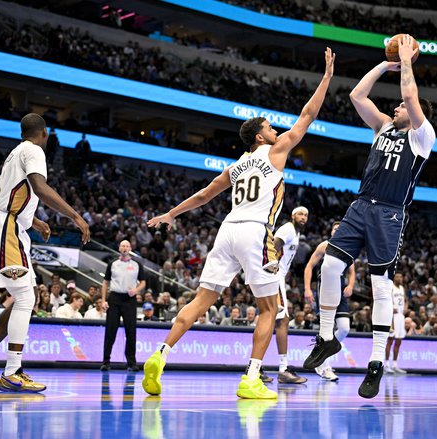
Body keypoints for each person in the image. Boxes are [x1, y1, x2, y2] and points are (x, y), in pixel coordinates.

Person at [142, 48, 335, 399]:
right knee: (270, 308)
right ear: (260, 137)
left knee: (201, 300)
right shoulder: (274, 152)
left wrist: (171, 213)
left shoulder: (234, 167)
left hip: (227, 231)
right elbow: (307, 115)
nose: (276, 130)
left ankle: (160, 354)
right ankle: (251, 378)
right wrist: (325, 79)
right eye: (269, 128)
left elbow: (202, 196)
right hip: (254, 232)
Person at [303, 35, 435, 399]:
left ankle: (376, 362)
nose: (395, 108)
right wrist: (385, 65)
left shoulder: (423, 136)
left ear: (417, 113)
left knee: (380, 287)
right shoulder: (381, 128)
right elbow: (356, 97)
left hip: (391, 215)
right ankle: (326, 338)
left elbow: (410, 96)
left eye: (402, 108)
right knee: (330, 267)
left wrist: (407, 61)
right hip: (361, 206)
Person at [0, 114, 90, 393]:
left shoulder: (14, 153)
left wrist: (33, 220)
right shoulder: (33, 150)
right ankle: (12, 371)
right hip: (7, 226)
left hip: (8, 223)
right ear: (44, 133)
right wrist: (75, 216)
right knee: (26, 297)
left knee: (23, 297)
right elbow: (39, 187)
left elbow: (6, 194)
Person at [261, 207, 309, 385]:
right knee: (282, 320)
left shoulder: (295, 233)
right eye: (300, 214)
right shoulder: (288, 229)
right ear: (292, 215)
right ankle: (283, 369)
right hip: (274, 276)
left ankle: (257, 368)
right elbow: (273, 245)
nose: (303, 217)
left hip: (276, 276)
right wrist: (271, 269)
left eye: (305, 215)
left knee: (271, 319)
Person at [303, 221, 355, 382]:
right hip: (324, 286)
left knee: (344, 328)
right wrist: (307, 288)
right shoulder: (324, 245)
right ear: (331, 231)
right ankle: (324, 366)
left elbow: (352, 271)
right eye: (335, 228)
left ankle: (322, 355)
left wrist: (351, 285)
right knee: (326, 328)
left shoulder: (349, 247)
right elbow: (309, 266)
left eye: (340, 229)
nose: (338, 230)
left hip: (340, 286)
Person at [100, 240, 146, 372]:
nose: (125, 248)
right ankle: (106, 361)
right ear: (119, 248)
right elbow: (105, 282)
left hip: (129, 299)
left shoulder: (137, 264)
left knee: (131, 331)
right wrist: (104, 300)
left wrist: (136, 290)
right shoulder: (112, 264)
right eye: (122, 246)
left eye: (127, 246)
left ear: (130, 248)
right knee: (110, 330)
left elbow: (143, 282)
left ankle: (131, 363)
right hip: (114, 298)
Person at [386, 273, 407, 374]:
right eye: (398, 277)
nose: (400, 278)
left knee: (398, 341)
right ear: (394, 278)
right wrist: (390, 307)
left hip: (400, 317)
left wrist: (406, 308)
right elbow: (386, 300)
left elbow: (406, 300)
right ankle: (386, 365)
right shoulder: (391, 287)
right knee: (390, 340)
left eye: (401, 276)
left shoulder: (402, 288)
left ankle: (394, 365)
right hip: (392, 317)